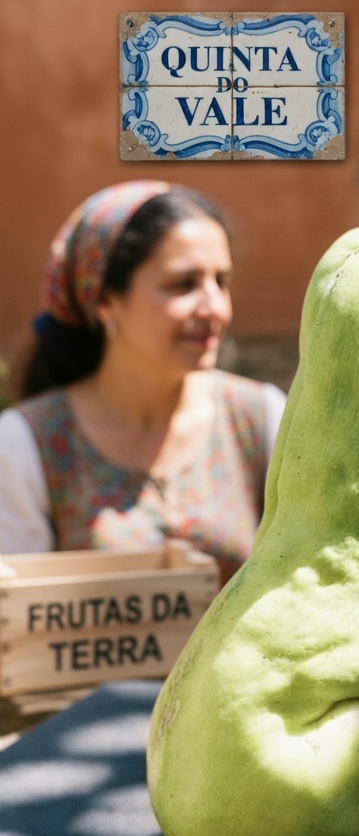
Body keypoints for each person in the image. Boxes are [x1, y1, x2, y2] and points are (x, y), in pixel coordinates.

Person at [0, 181, 287, 585]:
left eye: (221, 281)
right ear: (106, 302)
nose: (215, 308)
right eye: (183, 284)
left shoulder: (260, 418)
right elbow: (13, 621)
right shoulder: (27, 444)